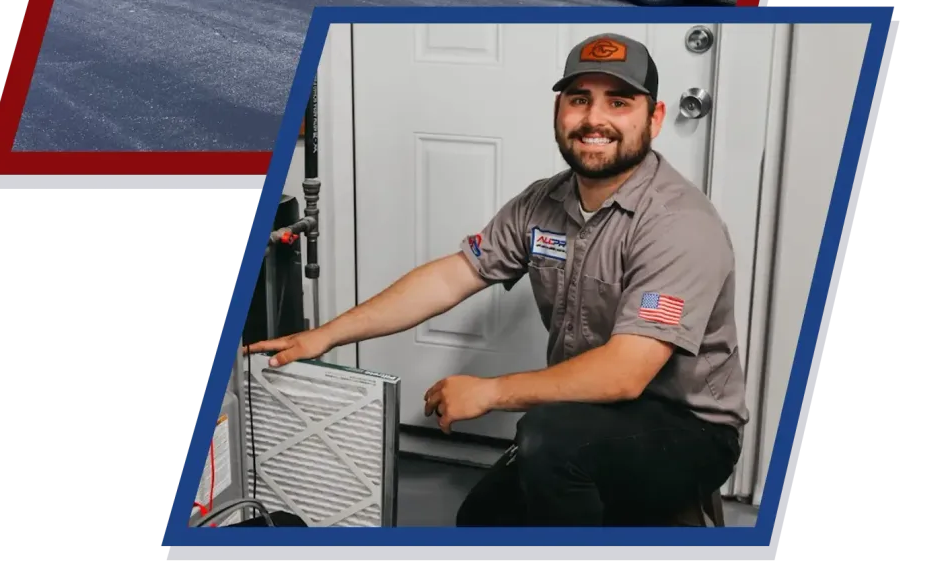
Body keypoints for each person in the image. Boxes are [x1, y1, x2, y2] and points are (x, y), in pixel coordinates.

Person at [246, 32, 748, 526]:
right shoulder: (541, 204)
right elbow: (450, 278)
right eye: (579, 100)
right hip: (590, 413)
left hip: (689, 426)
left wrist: (489, 392)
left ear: (654, 118)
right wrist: (324, 335)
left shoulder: (679, 223)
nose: (595, 119)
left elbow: (626, 372)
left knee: (548, 441)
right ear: (559, 112)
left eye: (619, 102)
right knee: (482, 519)